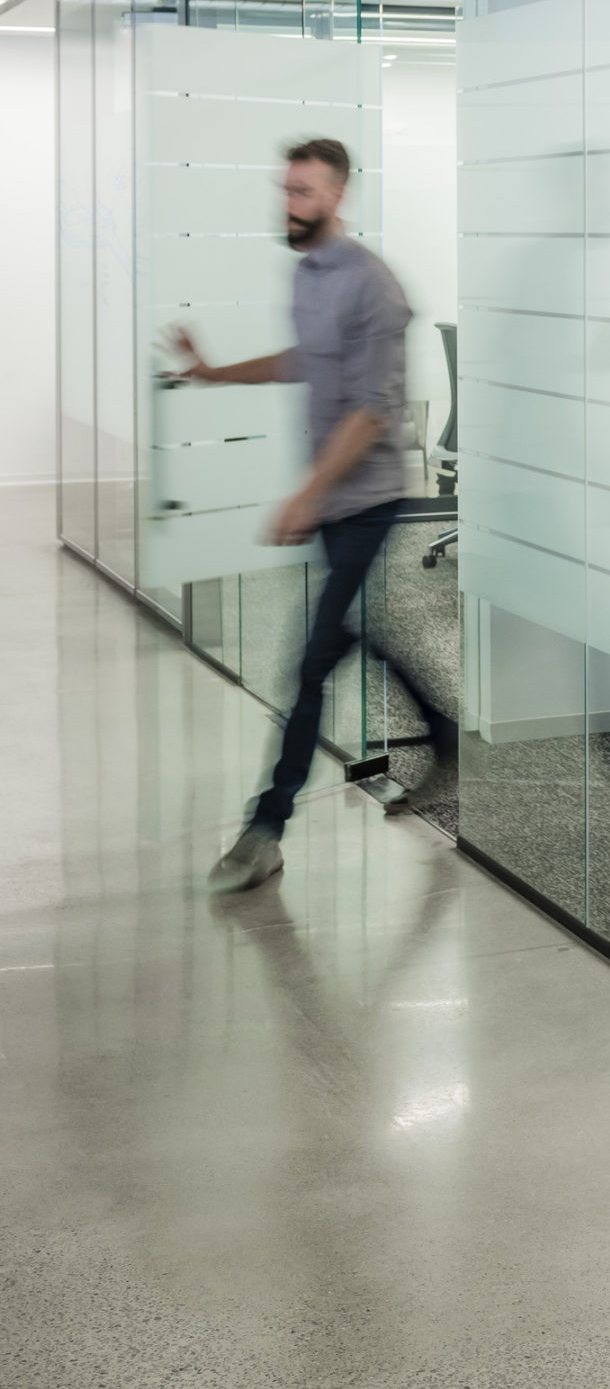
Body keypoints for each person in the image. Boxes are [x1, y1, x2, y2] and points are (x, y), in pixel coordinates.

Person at [170, 137, 456, 892]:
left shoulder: (374, 288)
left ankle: (267, 826)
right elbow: (304, 358)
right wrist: (211, 374)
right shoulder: (307, 274)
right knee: (347, 635)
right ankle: (449, 736)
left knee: (311, 661)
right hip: (330, 497)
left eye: (302, 191)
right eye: (285, 189)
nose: (288, 202)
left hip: (366, 499)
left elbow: (372, 408)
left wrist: (307, 493)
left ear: (336, 197)